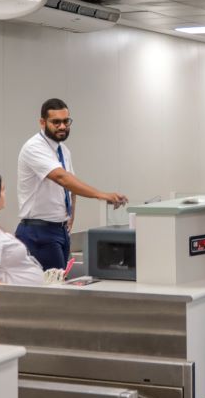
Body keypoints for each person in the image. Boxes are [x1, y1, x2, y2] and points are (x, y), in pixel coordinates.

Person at [16, 99, 128, 270]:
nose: (62, 126)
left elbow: (69, 185)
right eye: (56, 122)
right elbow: (62, 178)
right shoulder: (34, 147)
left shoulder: (63, 150)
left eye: (66, 121)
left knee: (61, 284)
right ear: (42, 122)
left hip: (59, 230)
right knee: (54, 290)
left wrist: (70, 216)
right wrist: (101, 194)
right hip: (38, 231)